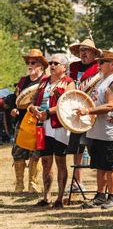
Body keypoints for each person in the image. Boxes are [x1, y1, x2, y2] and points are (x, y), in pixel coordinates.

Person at [77, 51, 113, 209]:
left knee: (110, 166)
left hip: (108, 131)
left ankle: (112, 196)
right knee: (99, 165)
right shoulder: (103, 80)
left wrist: (88, 112)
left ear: (111, 64)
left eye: (102, 62)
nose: (99, 65)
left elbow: (111, 106)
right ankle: (100, 195)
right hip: (97, 130)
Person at [30, 54, 75, 209]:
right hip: (42, 126)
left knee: (60, 161)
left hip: (59, 126)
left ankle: (60, 198)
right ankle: (46, 196)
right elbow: (33, 100)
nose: (52, 65)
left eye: (56, 63)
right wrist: (32, 108)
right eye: (51, 63)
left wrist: (48, 112)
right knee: (45, 162)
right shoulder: (44, 81)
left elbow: (67, 104)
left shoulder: (69, 83)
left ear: (64, 67)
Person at [10, 49, 47, 192]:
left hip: (39, 122)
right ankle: (19, 184)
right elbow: (15, 99)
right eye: (28, 62)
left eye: (33, 62)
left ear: (41, 65)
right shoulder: (23, 81)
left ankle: (33, 184)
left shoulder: (45, 82)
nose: (30, 65)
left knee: (36, 154)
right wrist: (14, 109)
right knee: (18, 153)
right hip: (22, 121)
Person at [68, 38, 102, 192]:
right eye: (81, 50)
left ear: (94, 53)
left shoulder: (99, 70)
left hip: (92, 112)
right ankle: (77, 182)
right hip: (75, 111)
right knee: (77, 149)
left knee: (95, 149)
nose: (83, 53)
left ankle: (101, 187)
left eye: (86, 50)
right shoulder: (73, 68)